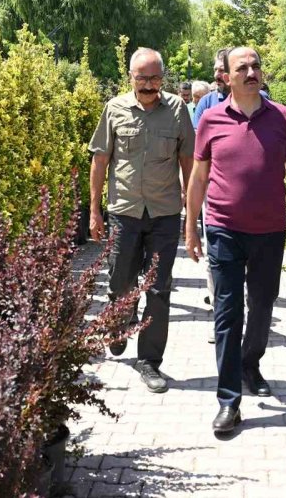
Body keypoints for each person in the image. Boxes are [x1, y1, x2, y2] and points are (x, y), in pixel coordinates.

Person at [185, 46, 286, 434]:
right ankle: (229, 400)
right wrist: (191, 225)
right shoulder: (210, 119)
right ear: (225, 76)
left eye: (255, 65)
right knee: (227, 313)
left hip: (270, 230)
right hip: (224, 228)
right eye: (241, 67)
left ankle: (250, 362)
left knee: (262, 305)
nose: (251, 71)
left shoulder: (282, 118)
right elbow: (198, 178)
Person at [89, 48, 195, 394]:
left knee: (159, 289)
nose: (148, 85)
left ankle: (149, 361)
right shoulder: (114, 109)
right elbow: (100, 161)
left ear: (163, 78)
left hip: (164, 213)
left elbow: (188, 162)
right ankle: (120, 322)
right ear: (130, 77)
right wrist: (94, 209)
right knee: (121, 282)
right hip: (124, 212)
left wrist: (191, 213)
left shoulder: (178, 111)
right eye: (142, 78)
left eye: (154, 78)